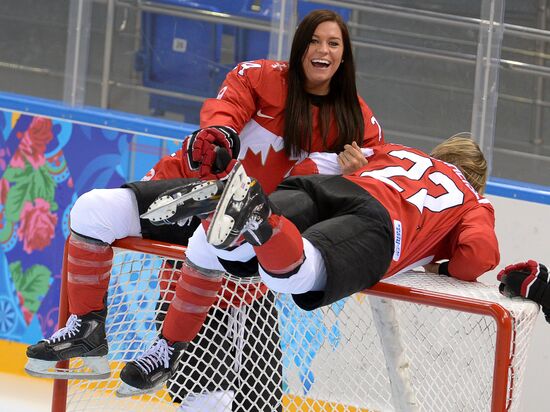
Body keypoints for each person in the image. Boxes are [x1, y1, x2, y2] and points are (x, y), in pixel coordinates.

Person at [24, 8, 385, 408]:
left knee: (251, 400)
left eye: (333, 43)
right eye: (315, 41)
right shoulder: (263, 76)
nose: (323, 50)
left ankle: (171, 348)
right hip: (194, 194)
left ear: (345, 54)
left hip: (250, 237)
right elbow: (225, 111)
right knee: (92, 211)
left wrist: (357, 173)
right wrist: (218, 134)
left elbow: (378, 172)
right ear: (299, 47)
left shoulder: (357, 117)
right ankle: (88, 329)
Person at [168, 134, 500, 312]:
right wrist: (442, 270)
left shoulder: (398, 150)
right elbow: (477, 254)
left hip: (332, 186)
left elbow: (310, 168)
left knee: (239, 256)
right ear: (479, 182)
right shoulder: (473, 200)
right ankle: (262, 220)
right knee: (293, 275)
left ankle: (241, 208)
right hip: (382, 224)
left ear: (438, 152)